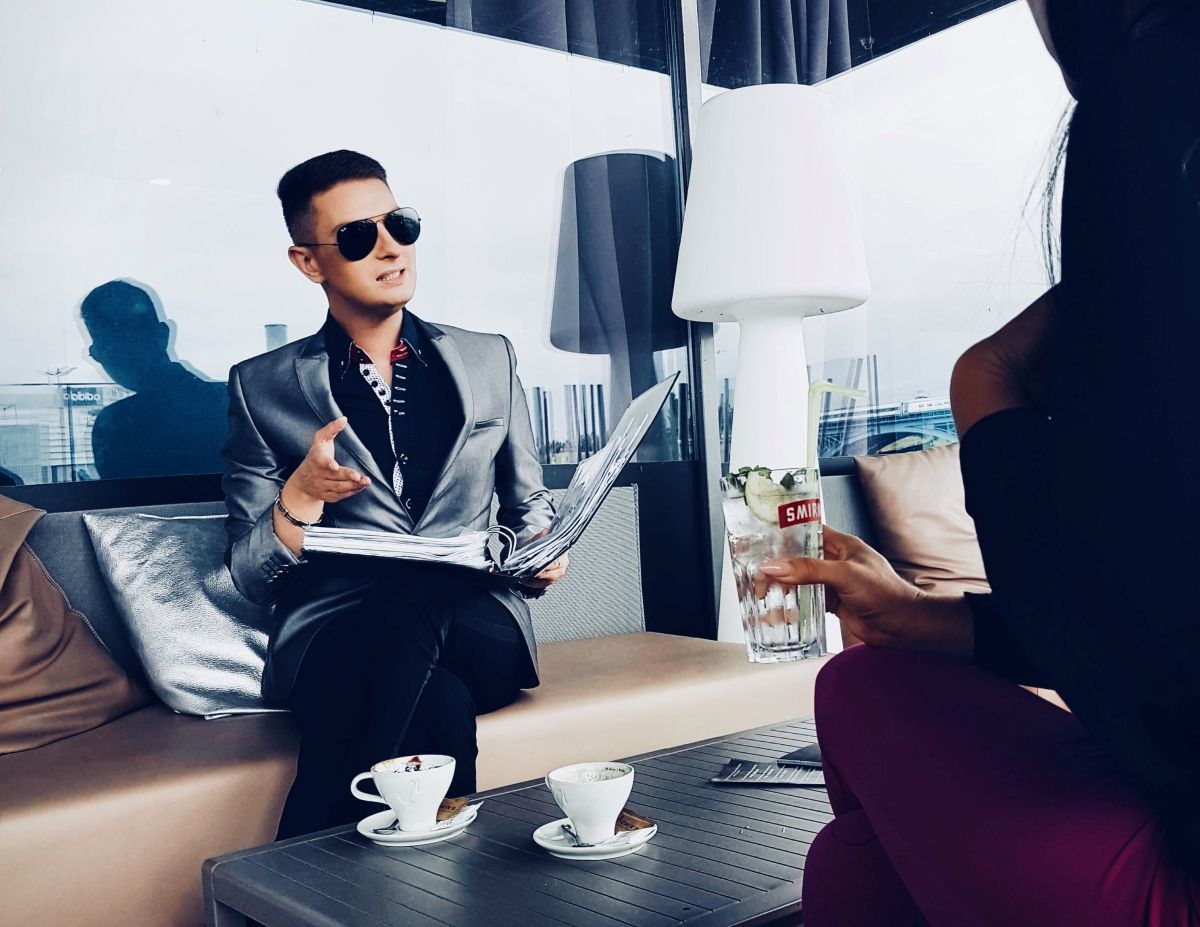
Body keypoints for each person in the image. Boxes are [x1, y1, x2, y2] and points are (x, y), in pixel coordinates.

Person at [761, 2, 1200, 924]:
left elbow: (1145, 645)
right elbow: (1157, 612)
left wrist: (985, 386)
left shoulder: (1152, 91)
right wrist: (921, 615)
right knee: (854, 858)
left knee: (856, 701)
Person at [222, 150, 568, 840]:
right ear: (308, 262)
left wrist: (540, 552)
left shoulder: (488, 357)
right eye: (358, 236)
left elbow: (530, 507)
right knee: (439, 705)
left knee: (419, 591)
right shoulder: (262, 386)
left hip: (478, 625)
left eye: (400, 224)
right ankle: (441, 883)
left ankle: (302, 851)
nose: (390, 248)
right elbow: (248, 575)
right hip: (333, 631)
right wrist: (300, 496)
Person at [81, 279, 227, 478]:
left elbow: (124, 495)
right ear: (163, 335)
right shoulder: (231, 404)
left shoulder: (116, 425)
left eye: (102, 349)